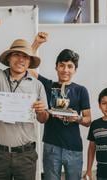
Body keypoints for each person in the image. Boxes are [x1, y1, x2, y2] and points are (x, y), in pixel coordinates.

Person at [0, 17, 49, 180]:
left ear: (30, 61)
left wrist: (41, 111)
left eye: (25, 57)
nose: (21, 59)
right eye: (17, 55)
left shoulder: (37, 85)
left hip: (26, 155)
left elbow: (43, 119)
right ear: (9, 58)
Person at [30, 33, 92, 180]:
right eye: (62, 65)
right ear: (56, 67)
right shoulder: (48, 85)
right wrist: (36, 44)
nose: (65, 70)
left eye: (70, 66)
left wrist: (76, 118)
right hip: (51, 146)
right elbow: (27, 69)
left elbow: (88, 120)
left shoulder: (81, 90)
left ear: (75, 69)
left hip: (74, 148)